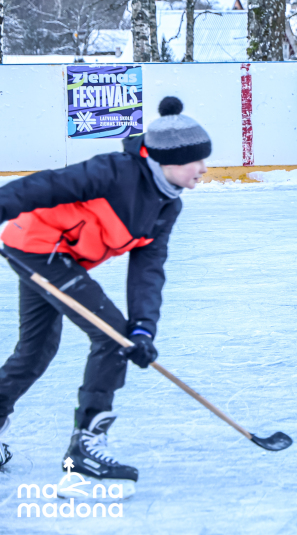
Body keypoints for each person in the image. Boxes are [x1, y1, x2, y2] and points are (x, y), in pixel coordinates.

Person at [0, 97, 210, 495]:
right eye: (195, 160)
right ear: (169, 160)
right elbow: (46, 185)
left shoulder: (167, 205)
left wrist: (144, 328)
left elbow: (148, 270)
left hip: (56, 256)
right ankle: (84, 455)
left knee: (35, 351)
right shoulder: (115, 172)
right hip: (40, 247)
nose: (203, 168)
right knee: (113, 338)